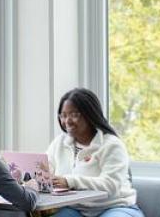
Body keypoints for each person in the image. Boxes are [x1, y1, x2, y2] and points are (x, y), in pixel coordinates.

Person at [46, 88, 144, 217]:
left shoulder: (112, 145)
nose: (67, 121)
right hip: (76, 209)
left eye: (74, 115)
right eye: (63, 116)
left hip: (115, 207)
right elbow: (46, 171)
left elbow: (110, 185)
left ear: (90, 114)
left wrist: (69, 181)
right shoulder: (59, 143)